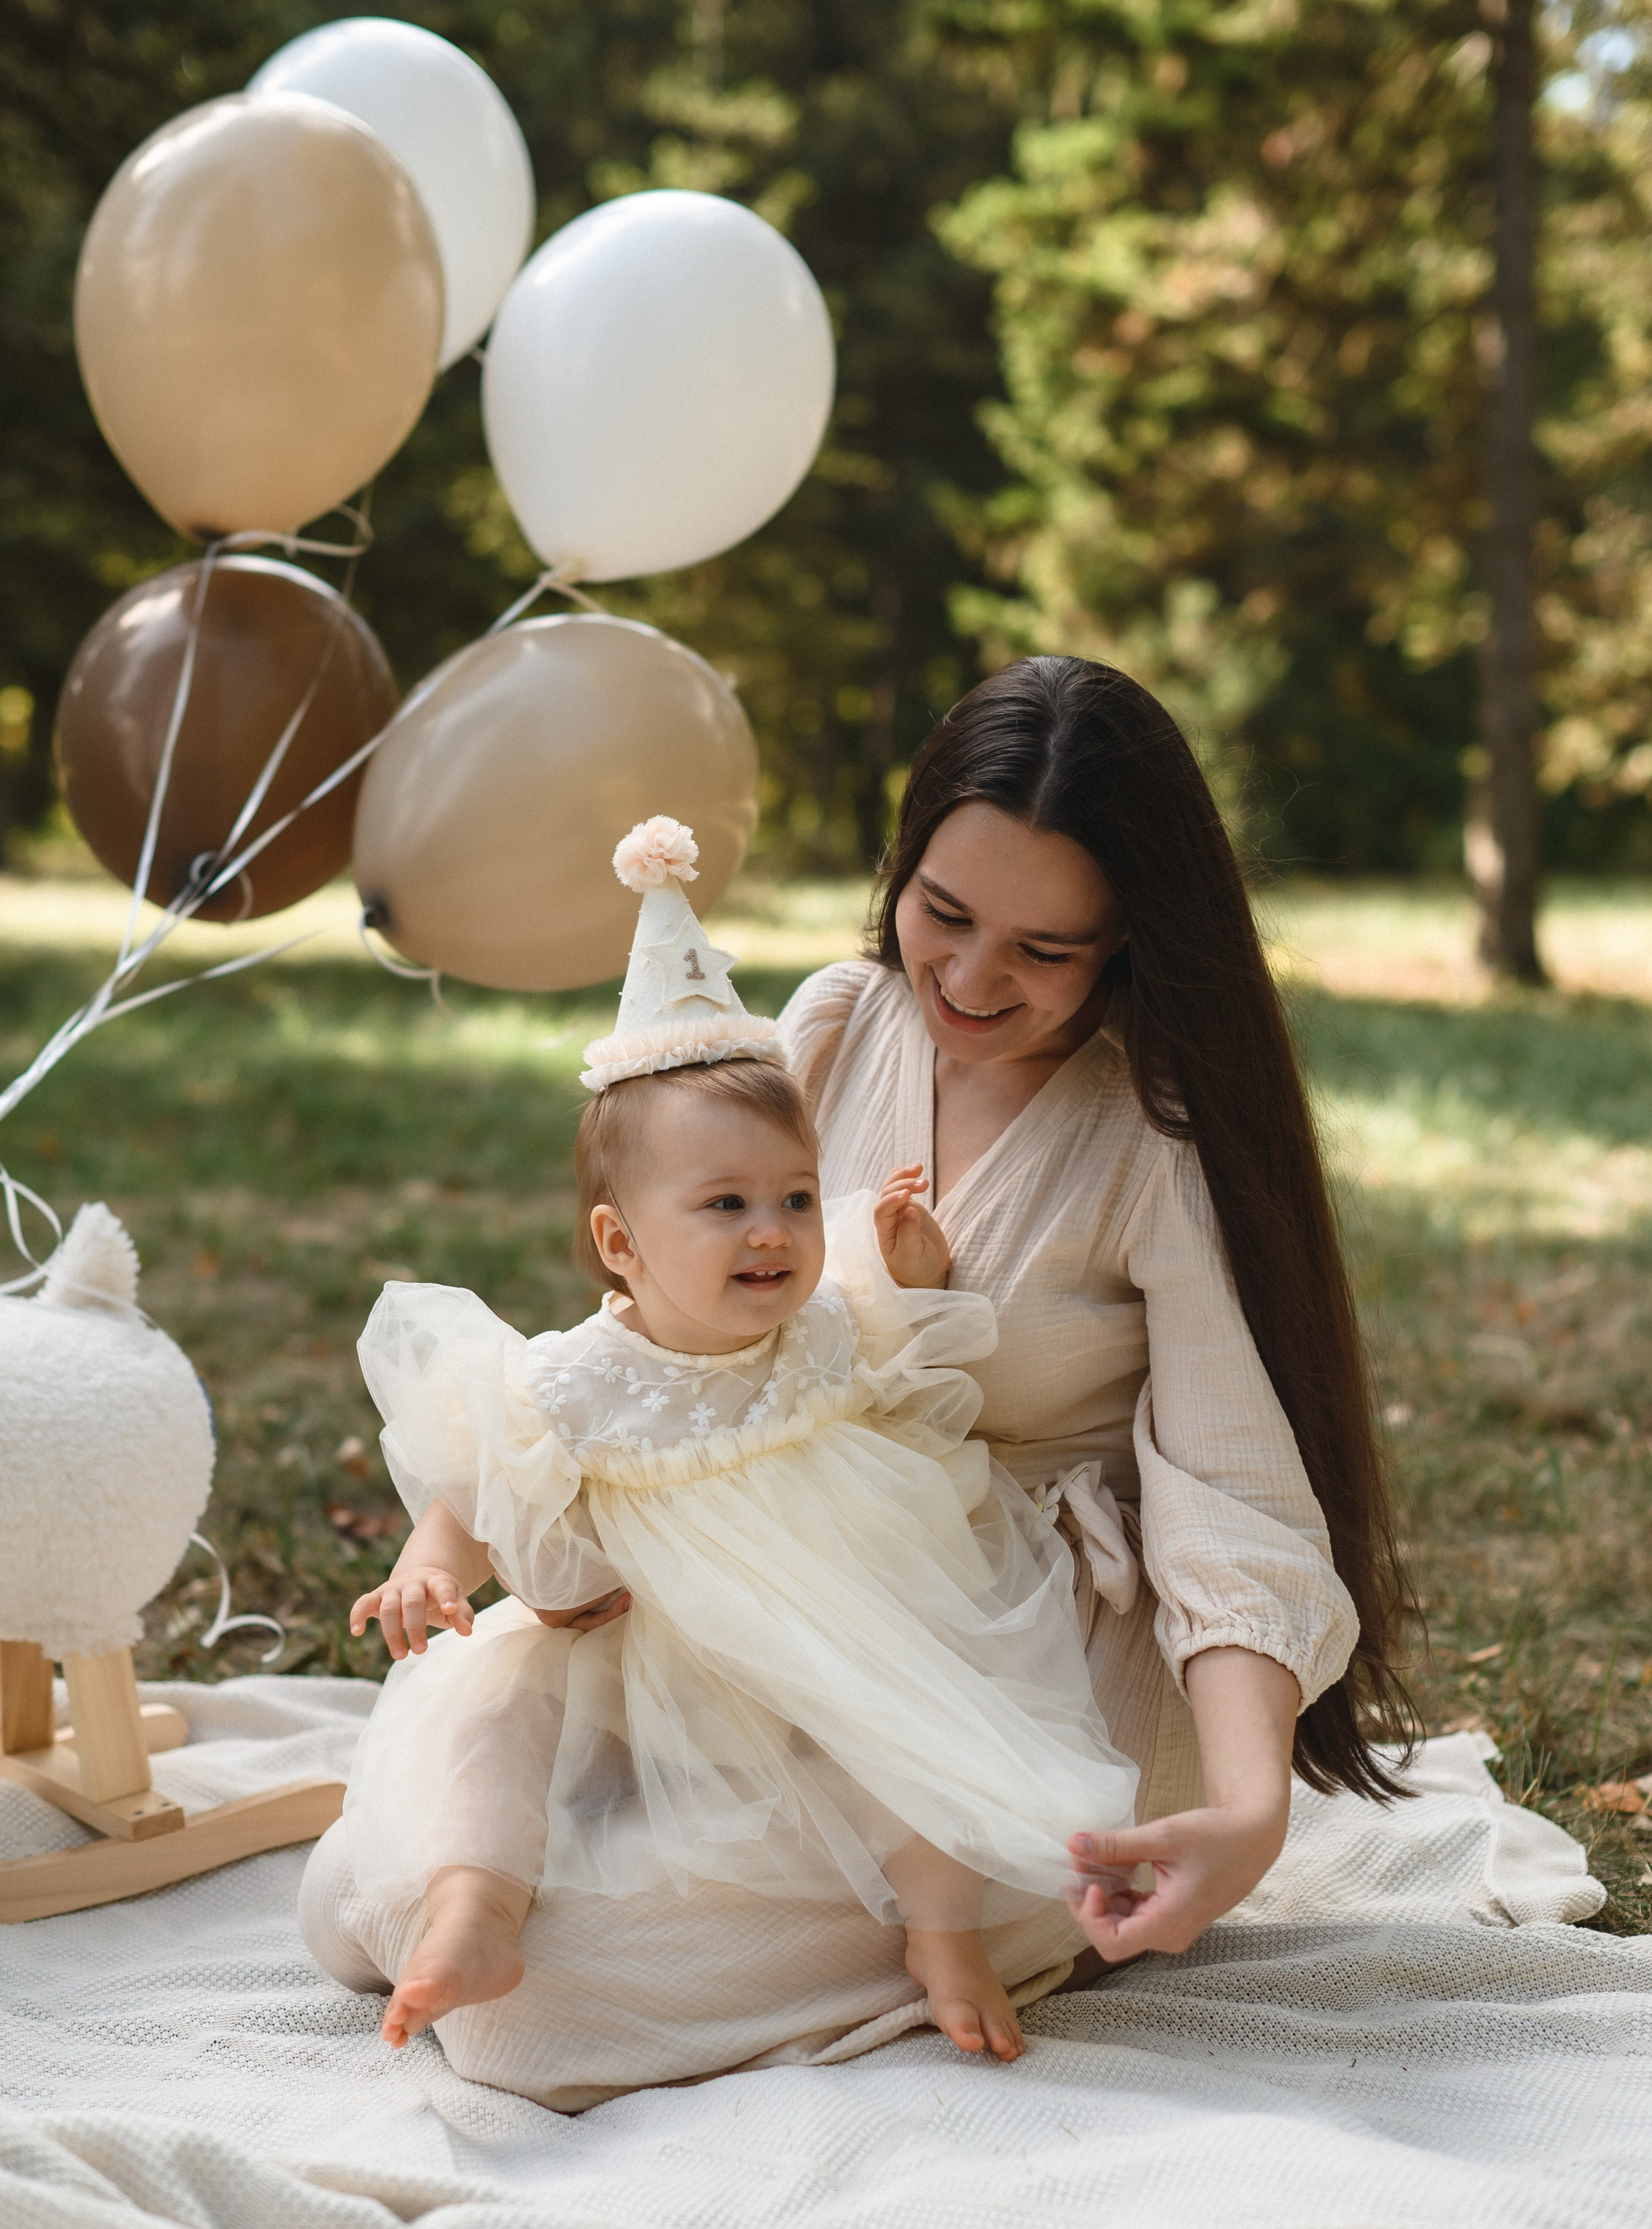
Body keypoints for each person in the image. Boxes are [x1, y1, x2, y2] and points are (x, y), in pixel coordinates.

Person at [301, 656, 1415, 2108]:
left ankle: (907, 1919)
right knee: (415, 1841)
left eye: (1043, 950)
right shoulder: (835, 1021)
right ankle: (490, 1903)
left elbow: (1226, 1494)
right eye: (941, 915)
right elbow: (678, 1289)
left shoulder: (1149, 1138)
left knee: (590, 1988)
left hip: (998, 1640)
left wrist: (1246, 1811)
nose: (966, 979)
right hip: (775, 1574)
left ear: (1131, 941)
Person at [337, 818, 1137, 2068]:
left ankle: (941, 1929)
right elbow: (481, 1466)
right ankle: (476, 1908)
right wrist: (433, 1561)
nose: (772, 1234)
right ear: (620, 1243)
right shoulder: (579, 1374)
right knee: (493, 1710)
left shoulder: (817, 1332)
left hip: (811, 1630)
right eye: (724, 1207)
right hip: (633, 1648)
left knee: (888, 1716)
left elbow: (905, 1358)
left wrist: (911, 1269)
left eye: (796, 1200)